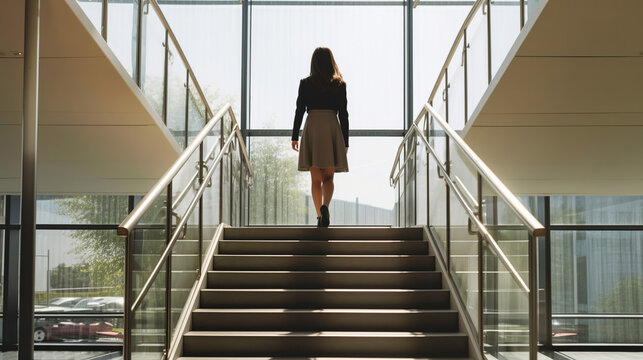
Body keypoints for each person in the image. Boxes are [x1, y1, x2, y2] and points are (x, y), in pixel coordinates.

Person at [291, 47, 349, 228]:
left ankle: (319, 216)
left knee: (315, 179)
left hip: (313, 126)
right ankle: (325, 206)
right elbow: (344, 114)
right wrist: (345, 141)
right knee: (329, 178)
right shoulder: (340, 84)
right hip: (331, 125)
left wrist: (294, 136)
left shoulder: (305, 83)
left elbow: (299, 110)